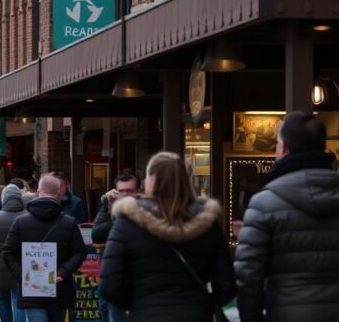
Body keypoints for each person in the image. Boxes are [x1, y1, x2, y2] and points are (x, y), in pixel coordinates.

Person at [100, 152, 235, 322]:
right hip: (196, 313)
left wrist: (138, 302)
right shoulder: (207, 223)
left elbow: (110, 286)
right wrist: (205, 303)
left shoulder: (128, 223)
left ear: (150, 181)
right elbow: (226, 285)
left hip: (146, 314)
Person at [234, 111, 339, 322]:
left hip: (285, 312)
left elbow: (248, 276)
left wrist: (251, 317)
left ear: (283, 148)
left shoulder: (264, 204)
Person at [3, 175, 86, 322]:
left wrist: (23, 275)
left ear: (37, 192)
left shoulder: (20, 222)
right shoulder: (69, 222)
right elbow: (79, 252)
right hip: (60, 287)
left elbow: (8, 253)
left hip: (31, 288)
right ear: (59, 194)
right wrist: (62, 272)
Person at [90, 173, 139, 322]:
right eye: (121, 191)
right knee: (108, 311)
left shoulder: (145, 210)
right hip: (112, 274)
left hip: (137, 274)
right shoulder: (109, 206)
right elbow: (96, 234)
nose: (124, 195)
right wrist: (110, 207)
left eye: (129, 191)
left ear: (138, 191)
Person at [0, 184, 26, 322]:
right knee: (18, 299)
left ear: (3, 199)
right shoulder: (28, 217)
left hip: (0, 265)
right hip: (21, 266)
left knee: (3, 300)